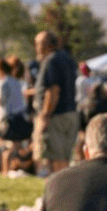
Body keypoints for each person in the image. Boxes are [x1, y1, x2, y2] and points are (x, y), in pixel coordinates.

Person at [32, 31, 79, 174]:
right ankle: (62, 191)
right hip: (70, 113)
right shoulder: (67, 58)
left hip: (56, 116)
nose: (36, 47)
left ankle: (57, 193)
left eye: (38, 43)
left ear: (46, 45)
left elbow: (53, 90)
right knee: (64, 156)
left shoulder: (51, 60)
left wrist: (45, 116)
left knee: (55, 157)